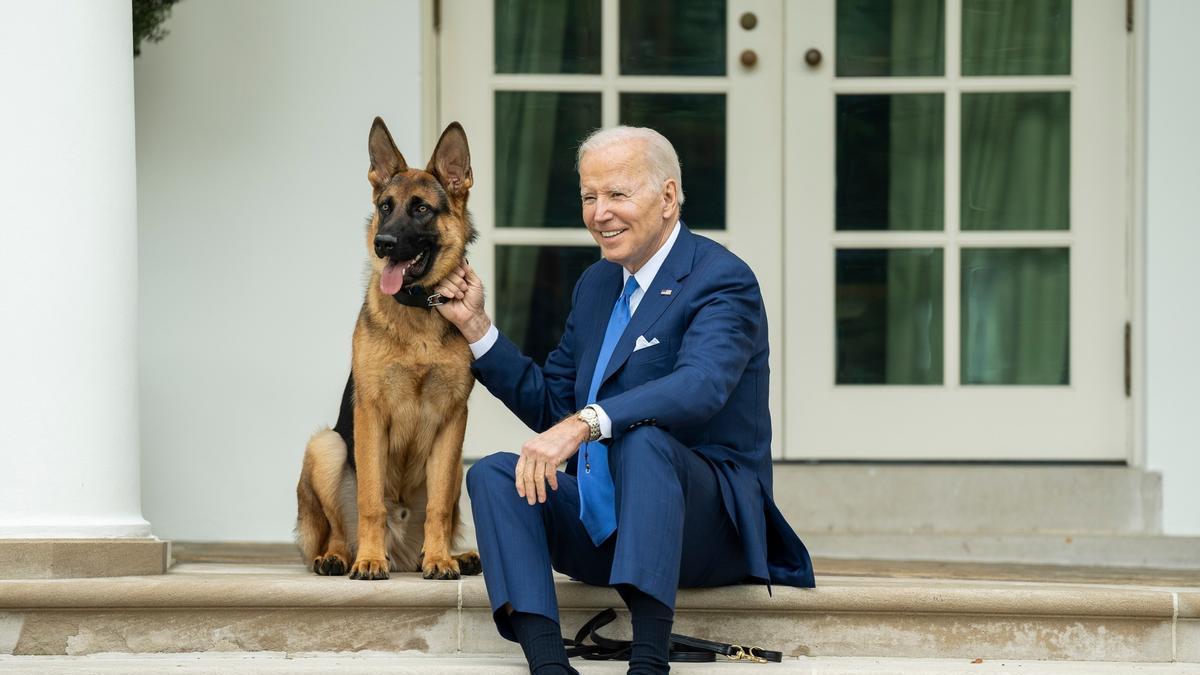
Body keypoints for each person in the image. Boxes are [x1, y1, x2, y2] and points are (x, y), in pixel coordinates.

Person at [433, 127, 814, 675]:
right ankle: (547, 663)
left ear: (667, 197)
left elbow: (701, 386)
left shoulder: (721, 279)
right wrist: (476, 328)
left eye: (617, 195)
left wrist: (587, 422)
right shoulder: (596, 285)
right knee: (496, 475)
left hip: (705, 530)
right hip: (609, 525)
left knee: (644, 438)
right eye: (589, 196)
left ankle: (648, 660)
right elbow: (554, 408)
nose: (599, 213)